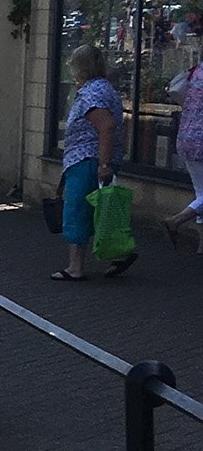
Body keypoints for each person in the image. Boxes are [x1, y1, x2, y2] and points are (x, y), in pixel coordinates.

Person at [53, 44, 138, 280]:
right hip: (93, 159)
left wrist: (103, 164)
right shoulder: (105, 88)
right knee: (102, 211)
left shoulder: (91, 92)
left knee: (78, 210)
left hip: (88, 160)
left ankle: (75, 267)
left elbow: (106, 125)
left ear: (80, 67)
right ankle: (120, 253)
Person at [162, 59, 203, 254]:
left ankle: (202, 244)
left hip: (187, 136)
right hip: (201, 140)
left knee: (200, 192)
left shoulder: (196, 71)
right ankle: (176, 220)